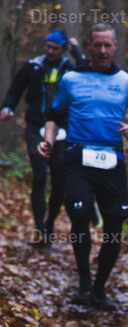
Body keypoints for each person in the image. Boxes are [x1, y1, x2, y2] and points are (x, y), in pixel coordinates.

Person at [38, 24, 128, 310]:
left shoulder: (126, 81)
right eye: (97, 45)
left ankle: (100, 289)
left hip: (113, 159)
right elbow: (54, 115)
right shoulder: (71, 78)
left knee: (114, 226)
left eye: (107, 45)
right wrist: (48, 141)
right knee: (80, 215)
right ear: (88, 46)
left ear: (115, 47)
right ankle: (84, 285)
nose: (102, 50)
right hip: (77, 158)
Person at [0, 30, 87, 243]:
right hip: (35, 127)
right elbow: (15, 89)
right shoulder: (33, 66)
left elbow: (88, 72)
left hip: (62, 129)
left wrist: (76, 52)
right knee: (39, 177)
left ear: (63, 48)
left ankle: (50, 222)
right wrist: (8, 107)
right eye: (47, 46)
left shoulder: (71, 68)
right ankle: (40, 229)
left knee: (59, 182)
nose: (49, 51)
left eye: (54, 48)